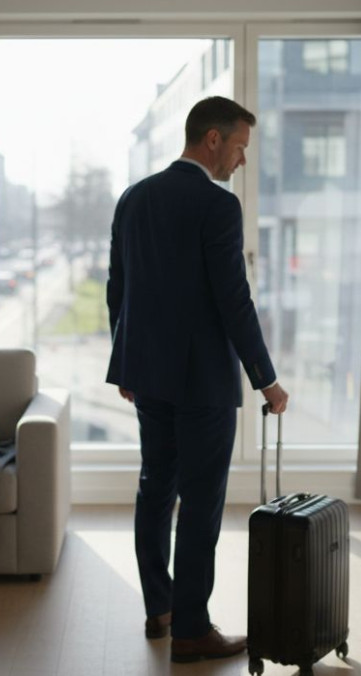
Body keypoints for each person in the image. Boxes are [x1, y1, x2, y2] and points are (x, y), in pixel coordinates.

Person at [105, 96, 290, 663]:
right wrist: (266, 380)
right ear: (213, 139)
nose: (241, 160)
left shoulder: (133, 198)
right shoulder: (218, 205)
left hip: (149, 377)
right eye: (239, 147)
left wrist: (126, 362)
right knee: (201, 504)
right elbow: (234, 300)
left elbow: (118, 287)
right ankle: (191, 631)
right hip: (203, 382)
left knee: (155, 488)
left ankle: (159, 609)